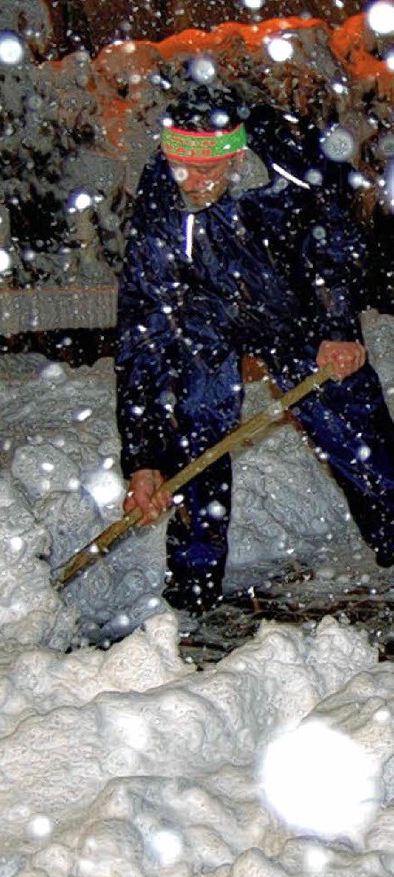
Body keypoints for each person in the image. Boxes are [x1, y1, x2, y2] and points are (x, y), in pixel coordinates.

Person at [115, 81, 394, 614]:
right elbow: (144, 324)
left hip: (297, 307)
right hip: (207, 316)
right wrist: (144, 456)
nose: (189, 183)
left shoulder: (290, 164)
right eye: (179, 166)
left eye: (205, 170)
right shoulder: (162, 195)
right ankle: (194, 584)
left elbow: (335, 239)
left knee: (351, 426)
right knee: (192, 431)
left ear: (236, 155)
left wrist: (337, 326)